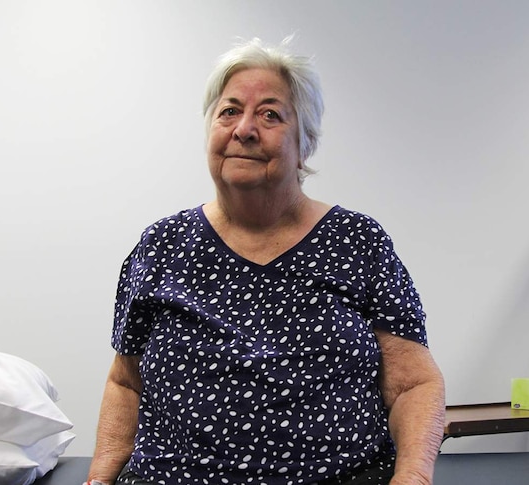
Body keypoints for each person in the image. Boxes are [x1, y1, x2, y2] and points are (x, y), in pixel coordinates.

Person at [85, 37, 445, 485]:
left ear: (305, 143)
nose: (244, 129)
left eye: (270, 115)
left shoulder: (358, 242)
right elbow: (125, 382)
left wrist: (412, 476)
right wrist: (99, 479)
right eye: (229, 111)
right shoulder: (162, 244)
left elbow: (414, 384)